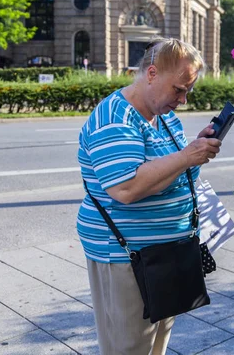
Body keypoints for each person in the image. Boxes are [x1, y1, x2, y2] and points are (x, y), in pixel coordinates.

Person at [76, 37, 222, 355]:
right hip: (127, 257)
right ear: (152, 74)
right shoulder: (115, 118)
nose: (183, 100)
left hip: (165, 254)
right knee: (128, 348)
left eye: (188, 91)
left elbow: (171, 172)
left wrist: (191, 152)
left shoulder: (163, 116)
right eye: (179, 89)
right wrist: (186, 156)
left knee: (155, 345)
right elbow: (126, 188)